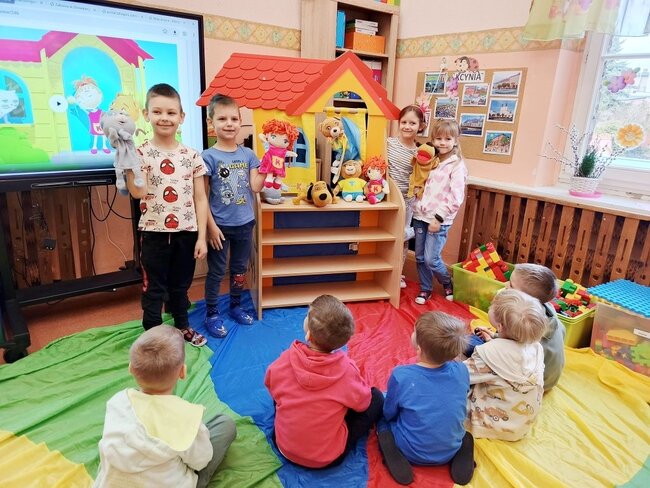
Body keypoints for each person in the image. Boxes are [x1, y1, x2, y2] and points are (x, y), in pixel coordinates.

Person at [94, 326, 236, 488]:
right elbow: (201, 461)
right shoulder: (184, 418)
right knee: (225, 425)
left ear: (131, 368)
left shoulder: (118, 401)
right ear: (182, 372)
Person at [126, 83, 208, 347]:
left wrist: (202, 237)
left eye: (171, 113)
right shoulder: (140, 154)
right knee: (154, 288)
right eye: (157, 112)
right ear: (146, 114)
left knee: (180, 286)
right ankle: (153, 334)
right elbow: (137, 192)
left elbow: (200, 198)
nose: (165, 118)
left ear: (181, 117)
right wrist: (128, 165)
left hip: (187, 233)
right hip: (154, 233)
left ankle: (182, 326)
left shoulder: (192, 156)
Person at [264, 294, 384, 468]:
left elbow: (271, 385)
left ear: (308, 334)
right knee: (377, 397)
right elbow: (363, 403)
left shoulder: (286, 359)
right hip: (325, 458)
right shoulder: (346, 371)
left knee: (283, 390)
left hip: (284, 447)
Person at [377, 311, 475, 486]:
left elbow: (390, 412)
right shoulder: (462, 370)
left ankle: (391, 450)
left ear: (420, 348)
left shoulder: (402, 376)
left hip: (409, 450)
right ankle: (460, 448)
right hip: (450, 448)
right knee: (458, 430)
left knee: (382, 420)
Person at [202, 94, 265, 338]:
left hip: (245, 224)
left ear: (240, 121)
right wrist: (210, 227)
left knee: (239, 269)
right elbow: (202, 196)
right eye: (222, 119)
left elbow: (256, 186)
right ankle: (211, 313)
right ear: (211, 123)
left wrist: (270, 166)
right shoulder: (208, 157)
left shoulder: (248, 154)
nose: (229, 124)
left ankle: (236, 306)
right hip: (219, 227)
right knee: (217, 272)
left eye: (234, 119)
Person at [464, 288, 547, 441]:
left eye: (492, 306)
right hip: (520, 425)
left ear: (500, 326)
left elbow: (459, 375)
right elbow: (513, 355)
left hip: (490, 425)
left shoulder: (488, 353)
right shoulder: (536, 347)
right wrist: (494, 339)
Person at [473, 264, 565, 391]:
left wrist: (491, 341)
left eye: (511, 285)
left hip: (534, 383)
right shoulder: (547, 309)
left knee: (474, 349)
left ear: (524, 298)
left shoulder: (524, 323)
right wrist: (495, 336)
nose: (505, 285)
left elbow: (512, 352)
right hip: (550, 378)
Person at [413, 119, 467, 304]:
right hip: (420, 215)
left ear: (455, 140)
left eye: (447, 139)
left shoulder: (456, 165)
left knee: (431, 258)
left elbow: (456, 197)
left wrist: (438, 217)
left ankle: (447, 282)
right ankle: (425, 288)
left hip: (438, 219)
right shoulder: (431, 159)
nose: (442, 143)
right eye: (438, 138)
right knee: (420, 257)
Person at [386, 105, 426, 289]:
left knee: (402, 237)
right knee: (386, 234)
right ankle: (384, 269)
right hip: (387, 197)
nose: (407, 126)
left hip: (407, 201)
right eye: (404, 122)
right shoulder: (389, 143)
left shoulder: (420, 153)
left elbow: (422, 175)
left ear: (421, 126)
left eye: (412, 123)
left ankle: (398, 273)